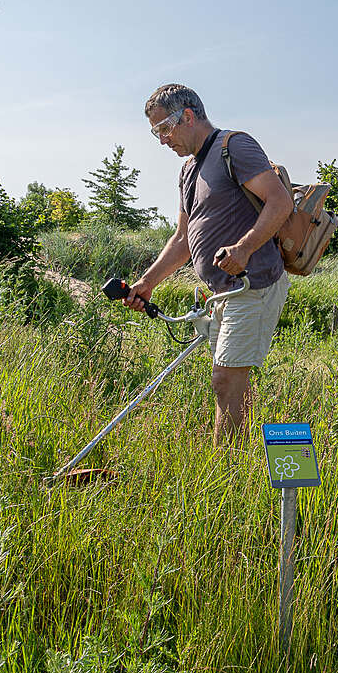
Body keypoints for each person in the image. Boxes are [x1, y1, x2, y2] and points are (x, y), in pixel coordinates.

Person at [125, 84, 293, 441]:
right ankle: (232, 458)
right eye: (156, 133)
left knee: (226, 378)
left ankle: (225, 469)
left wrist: (244, 248)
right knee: (226, 379)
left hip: (253, 284)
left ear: (187, 116)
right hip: (220, 292)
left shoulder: (234, 146)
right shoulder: (188, 170)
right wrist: (147, 283)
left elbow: (280, 202)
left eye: (163, 129)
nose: (161, 140)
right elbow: (182, 239)